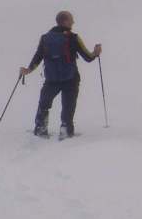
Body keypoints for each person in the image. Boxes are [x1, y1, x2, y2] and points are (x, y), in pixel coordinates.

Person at [19, 11, 101, 139]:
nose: (73, 22)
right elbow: (88, 57)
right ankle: (66, 130)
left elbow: (38, 56)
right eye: (71, 20)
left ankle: (41, 128)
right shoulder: (73, 38)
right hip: (71, 78)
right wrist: (96, 52)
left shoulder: (45, 38)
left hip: (51, 78)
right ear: (65, 22)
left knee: (44, 103)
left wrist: (28, 70)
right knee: (68, 105)